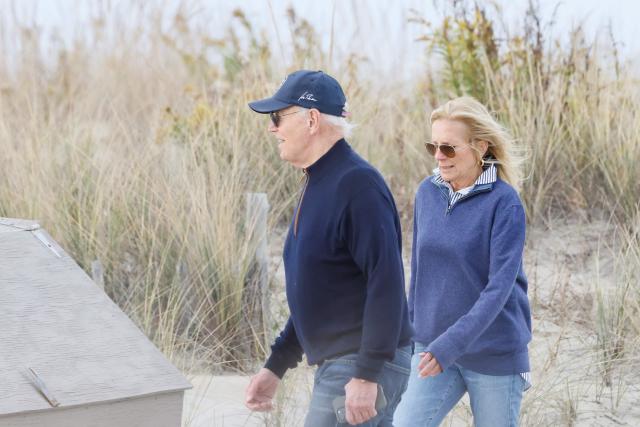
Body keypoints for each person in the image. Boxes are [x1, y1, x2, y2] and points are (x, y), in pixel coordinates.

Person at [244, 70, 413, 426]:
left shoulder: (357, 184)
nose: (272, 128)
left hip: (361, 361)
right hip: (344, 362)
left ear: (311, 119)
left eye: (278, 117)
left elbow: (387, 281)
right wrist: (276, 366)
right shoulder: (318, 181)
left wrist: (367, 374)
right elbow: (318, 293)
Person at [394, 96, 532, 427]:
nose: (439, 156)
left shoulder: (505, 204)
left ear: (480, 147)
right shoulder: (427, 192)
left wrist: (450, 345)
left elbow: (498, 290)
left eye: (450, 148)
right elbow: (420, 273)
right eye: (434, 147)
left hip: (493, 352)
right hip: (432, 348)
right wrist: (410, 339)